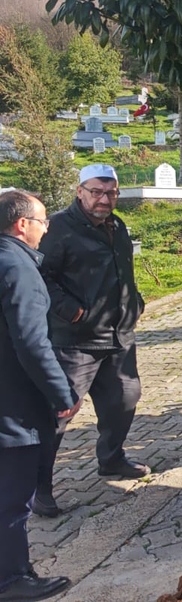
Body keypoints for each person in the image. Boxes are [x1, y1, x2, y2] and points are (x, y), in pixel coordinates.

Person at [36, 164, 147, 519]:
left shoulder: (117, 225)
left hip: (118, 335)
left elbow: (121, 270)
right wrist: (73, 313)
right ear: (80, 191)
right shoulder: (57, 230)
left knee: (124, 399)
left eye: (111, 192)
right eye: (96, 192)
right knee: (58, 414)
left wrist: (135, 302)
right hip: (75, 341)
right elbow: (41, 277)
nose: (104, 199)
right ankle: (39, 488)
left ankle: (111, 460)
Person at [0, 190, 77, 601]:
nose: (47, 228)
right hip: (12, 408)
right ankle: (12, 580)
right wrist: (61, 392)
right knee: (12, 499)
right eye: (43, 220)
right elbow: (31, 343)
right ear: (22, 224)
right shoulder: (18, 267)